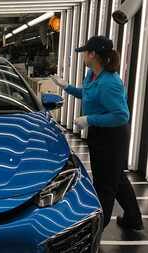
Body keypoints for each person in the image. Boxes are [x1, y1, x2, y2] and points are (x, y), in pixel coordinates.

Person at [51, 36, 144, 230]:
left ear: (93, 54)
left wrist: (89, 119)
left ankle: (96, 230)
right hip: (100, 134)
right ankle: (133, 219)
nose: (83, 55)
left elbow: (121, 116)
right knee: (116, 178)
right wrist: (65, 86)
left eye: (85, 52)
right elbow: (87, 94)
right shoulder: (92, 75)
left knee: (105, 185)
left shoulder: (109, 82)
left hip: (112, 137)